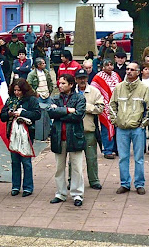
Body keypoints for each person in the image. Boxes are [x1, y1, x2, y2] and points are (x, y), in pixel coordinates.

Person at [109, 61, 149, 195]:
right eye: (127, 69)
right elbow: (111, 105)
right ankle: (125, 184)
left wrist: (143, 123)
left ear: (138, 72)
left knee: (139, 158)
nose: (128, 71)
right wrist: (115, 120)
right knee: (123, 157)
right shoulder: (119, 87)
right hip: (121, 129)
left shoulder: (144, 88)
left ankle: (139, 184)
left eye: (132, 69)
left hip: (137, 129)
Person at [48, 74, 86, 207]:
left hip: (75, 137)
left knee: (76, 168)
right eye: (59, 83)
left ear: (71, 84)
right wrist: (68, 110)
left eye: (63, 83)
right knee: (59, 168)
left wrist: (60, 113)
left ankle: (77, 194)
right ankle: (60, 193)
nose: (60, 85)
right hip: (58, 137)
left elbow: (78, 115)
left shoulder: (80, 98)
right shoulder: (55, 97)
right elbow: (50, 113)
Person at [0, 78, 41, 196]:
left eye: (19, 90)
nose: (17, 93)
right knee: (14, 161)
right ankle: (15, 186)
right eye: (15, 90)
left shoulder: (31, 100)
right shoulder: (10, 100)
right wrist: (9, 114)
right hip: (12, 133)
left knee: (26, 161)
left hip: (26, 133)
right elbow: (2, 116)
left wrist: (22, 113)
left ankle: (28, 187)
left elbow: (37, 114)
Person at [72, 69, 104, 191]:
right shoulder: (71, 91)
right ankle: (72, 180)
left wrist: (85, 107)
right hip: (74, 130)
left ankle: (94, 180)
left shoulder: (94, 92)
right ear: (75, 79)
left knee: (91, 158)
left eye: (84, 78)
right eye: (79, 78)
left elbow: (100, 108)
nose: (82, 80)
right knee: (73, 160)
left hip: (89, 129)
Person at [93, 59, 121, 158]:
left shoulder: (116, 75)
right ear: (103, 67)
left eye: (111, 65)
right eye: (107, 65)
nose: (109, 67)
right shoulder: (98, 77)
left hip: (117, 105)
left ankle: (116, 148)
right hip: (105, 106)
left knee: (117, 128)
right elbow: (94, 91)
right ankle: (108, 150)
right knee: (106, 128)